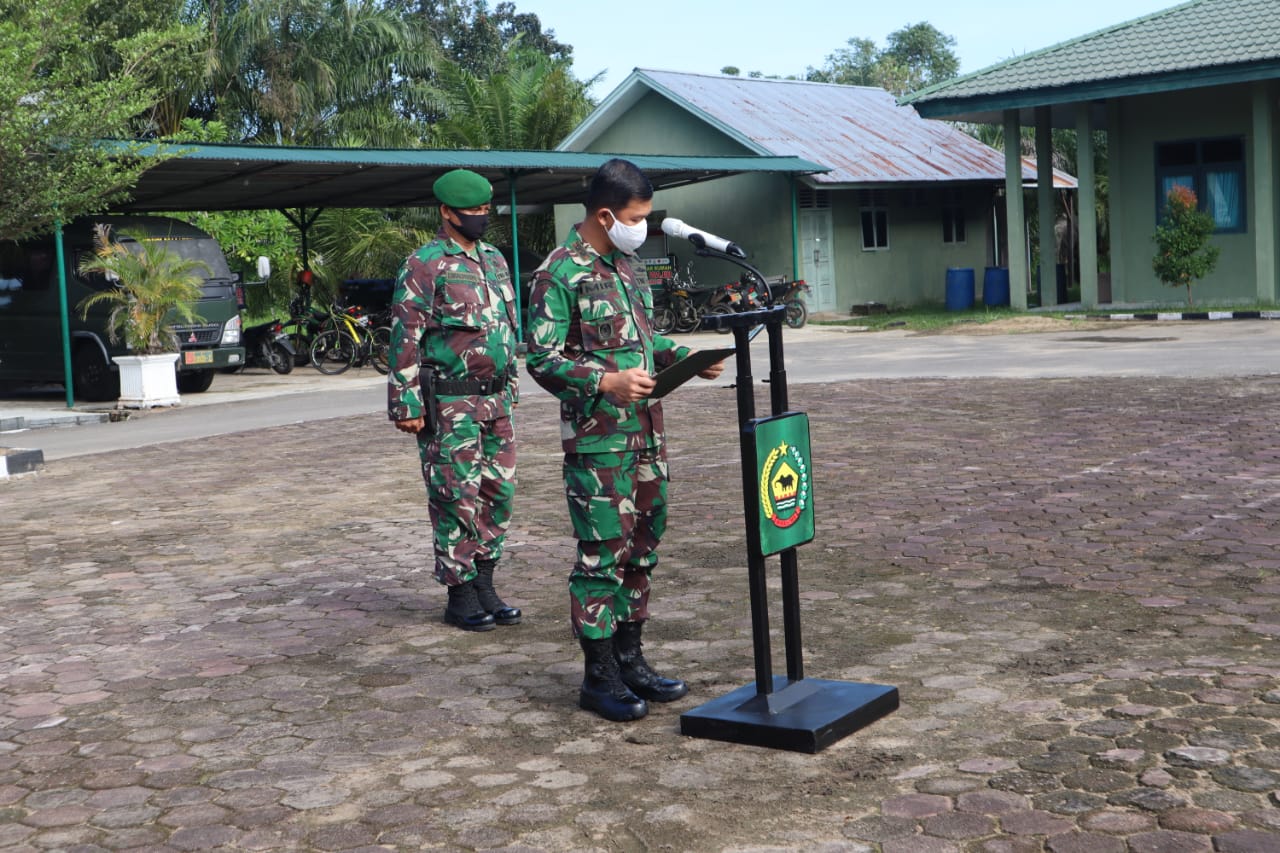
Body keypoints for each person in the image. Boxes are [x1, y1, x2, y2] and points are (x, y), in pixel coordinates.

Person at [525, 158, 725, 721]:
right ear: (605, 214)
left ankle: (631, 657)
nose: (643, 226)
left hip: (646, 435)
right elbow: (541, 358)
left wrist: (679, 355)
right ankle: (599, 676)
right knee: (601, 555)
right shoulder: (558, 273)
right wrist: (602, 381)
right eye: (636, 217)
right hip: (597, 442)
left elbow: (639, 335)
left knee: (643, 548)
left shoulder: (629, 266)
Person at [387, 168, 520, 632]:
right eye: (473, 211)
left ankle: (485, 582)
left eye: (487, 210)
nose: (482, 218)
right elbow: (406, 336)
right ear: (447, 212)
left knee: (497, 493)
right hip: (450, 402)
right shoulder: (425, 264)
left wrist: (512, 383)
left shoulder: (494, 260)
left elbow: (505, 327)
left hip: (496, 400)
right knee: (455, 495)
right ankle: (459, 592)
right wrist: (407, 404)